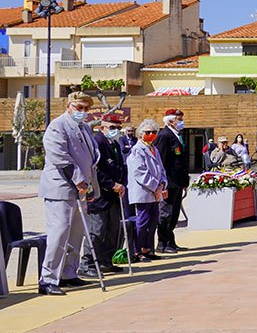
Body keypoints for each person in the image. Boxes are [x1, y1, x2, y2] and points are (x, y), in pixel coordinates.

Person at [37, 92, 100, 296]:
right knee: (59, 232)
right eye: (79, 107)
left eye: (86, 108)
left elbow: (91, 158)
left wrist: (91, 187)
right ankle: (48, 278)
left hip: (81, 189)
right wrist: (78, 179)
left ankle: (68, 273)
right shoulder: (58, 126)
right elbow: (60, 156)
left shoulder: (85, 128)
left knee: (76, 233)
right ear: (68, 106)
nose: (82, 111)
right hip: (61, 188)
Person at [80, 113, 127, 278]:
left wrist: (122, 184)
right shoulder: (98, 142)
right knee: (97, 231)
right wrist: (111, 184)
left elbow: (120, 167)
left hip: (114, 195)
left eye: (118, 127)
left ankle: (106, 261)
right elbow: (94, 170)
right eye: (112, 127)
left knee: (113, 229)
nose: (116, 130)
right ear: (102, 128)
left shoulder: (114, 143)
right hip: (100, 194)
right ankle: (87, 263)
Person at [127, 119, 167, 262]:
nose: (151, 134)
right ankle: (138, 250)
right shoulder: (137, 150)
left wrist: (162, 184)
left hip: (155, 192)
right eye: (147, 132)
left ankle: (148, 249)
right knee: (143, 222)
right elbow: (139, 172)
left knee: (153, 222)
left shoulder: (154, 149)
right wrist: (155, 186)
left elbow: (161, 169)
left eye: (154, 132)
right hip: (144, 191)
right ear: (140, 133)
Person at [153, 108, 189, 254]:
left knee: (174, 214)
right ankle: (162, 243)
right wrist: (163, 184)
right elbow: (161, 161)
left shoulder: (177, 136)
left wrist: (184, 181)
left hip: (178, 182)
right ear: (170, 121)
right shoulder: (164, 136)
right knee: (166, 214)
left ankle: (170, 241)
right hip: (169, 182)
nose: (181, 122)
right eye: (178, 119)